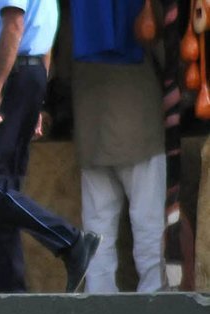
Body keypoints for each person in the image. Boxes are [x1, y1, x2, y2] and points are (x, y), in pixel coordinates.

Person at [0, 0, 100, 293]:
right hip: (28, 73)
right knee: (2, 186)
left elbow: (14, 24)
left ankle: (70, 241)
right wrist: (36, 101)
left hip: (12, 75)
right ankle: (8, 287)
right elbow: (44, 37)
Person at [70, 0, 166, 293]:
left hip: (92, 130)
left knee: (97, 239)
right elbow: (162, 45)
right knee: (149, 234)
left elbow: (60, 66)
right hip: (141, 131)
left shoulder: (77, 11)